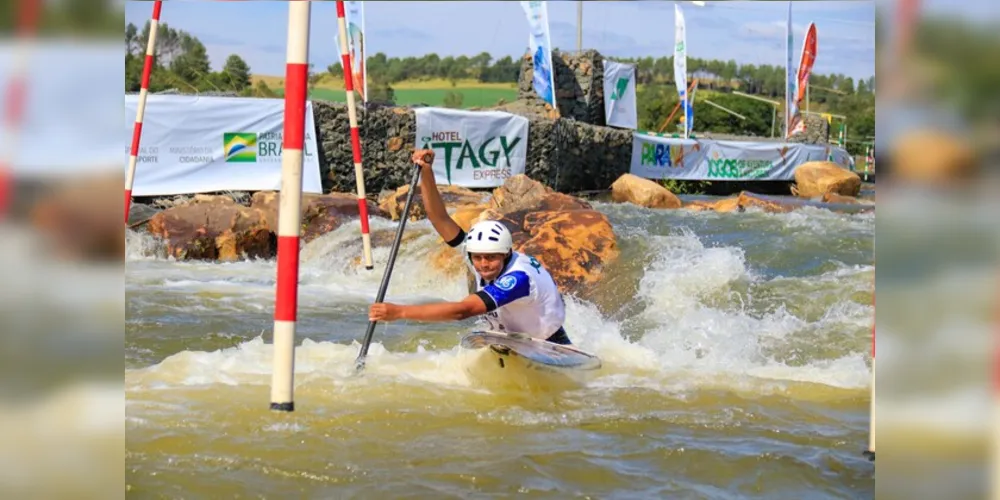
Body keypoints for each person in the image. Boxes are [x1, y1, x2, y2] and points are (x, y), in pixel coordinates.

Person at [367, 149, 573, 345]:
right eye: (478, 257)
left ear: (506, 254)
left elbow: (462, 311)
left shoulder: (518, 278)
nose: (483, 264)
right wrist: (427, 171)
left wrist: (399, 312)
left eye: (491, 258)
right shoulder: (478, 250)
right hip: (511, 335)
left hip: (549, 343)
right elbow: (439, 218)